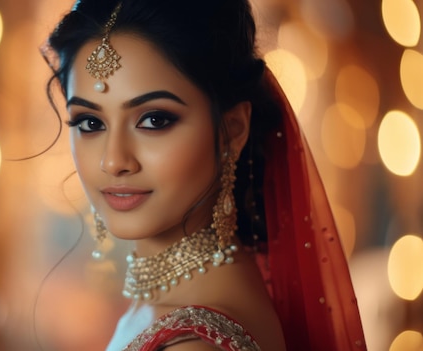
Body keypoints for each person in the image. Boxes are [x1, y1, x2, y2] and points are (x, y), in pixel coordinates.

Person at [42, 0, 367, 350]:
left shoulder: (192, 343)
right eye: (90, 123)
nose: (113, 161)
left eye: (154, 120)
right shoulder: (195, 297)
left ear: (232, 130)